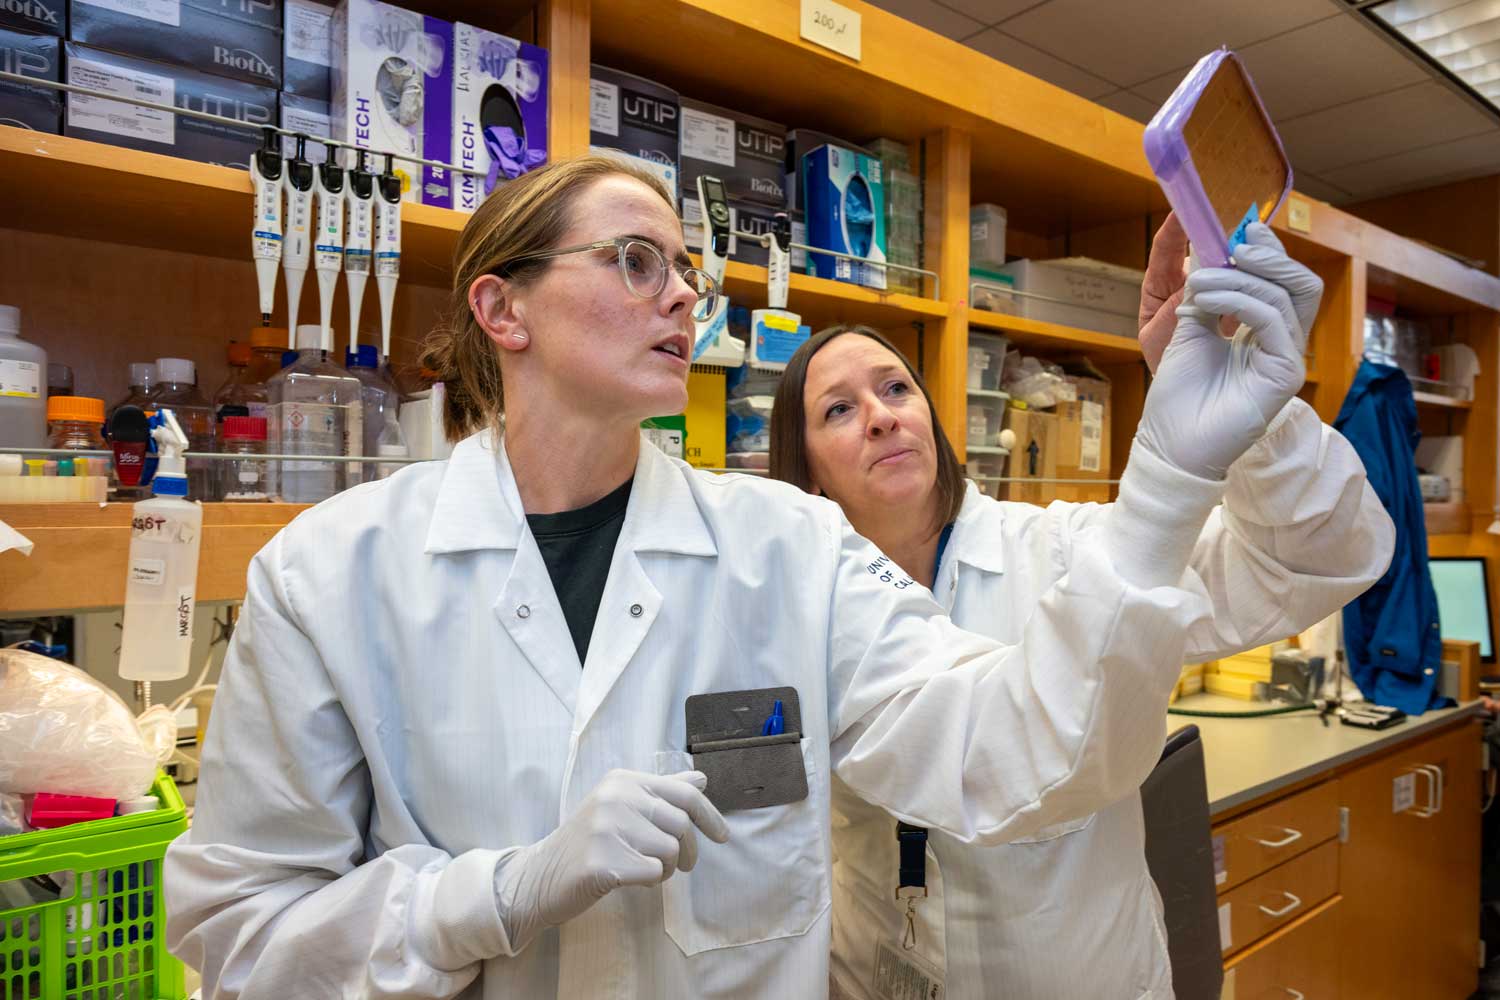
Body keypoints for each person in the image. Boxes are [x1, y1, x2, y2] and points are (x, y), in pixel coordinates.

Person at [167, 158, 1310, 999]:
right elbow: (241, 930)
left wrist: (1168, 474)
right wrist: (501, 891)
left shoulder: (788, 550)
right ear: (500, 307)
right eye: (633, 260)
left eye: (685, 269)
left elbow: (1011, 749)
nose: (680, 295)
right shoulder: (327, 574)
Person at [767, 216, 1394, 1000]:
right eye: (838, 410)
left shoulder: (1064, 550)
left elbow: (1322, 556)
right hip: (878, 976)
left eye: (896, 388)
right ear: (811, 475)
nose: (883, 414)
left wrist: (1252, 418)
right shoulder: (802, 605)